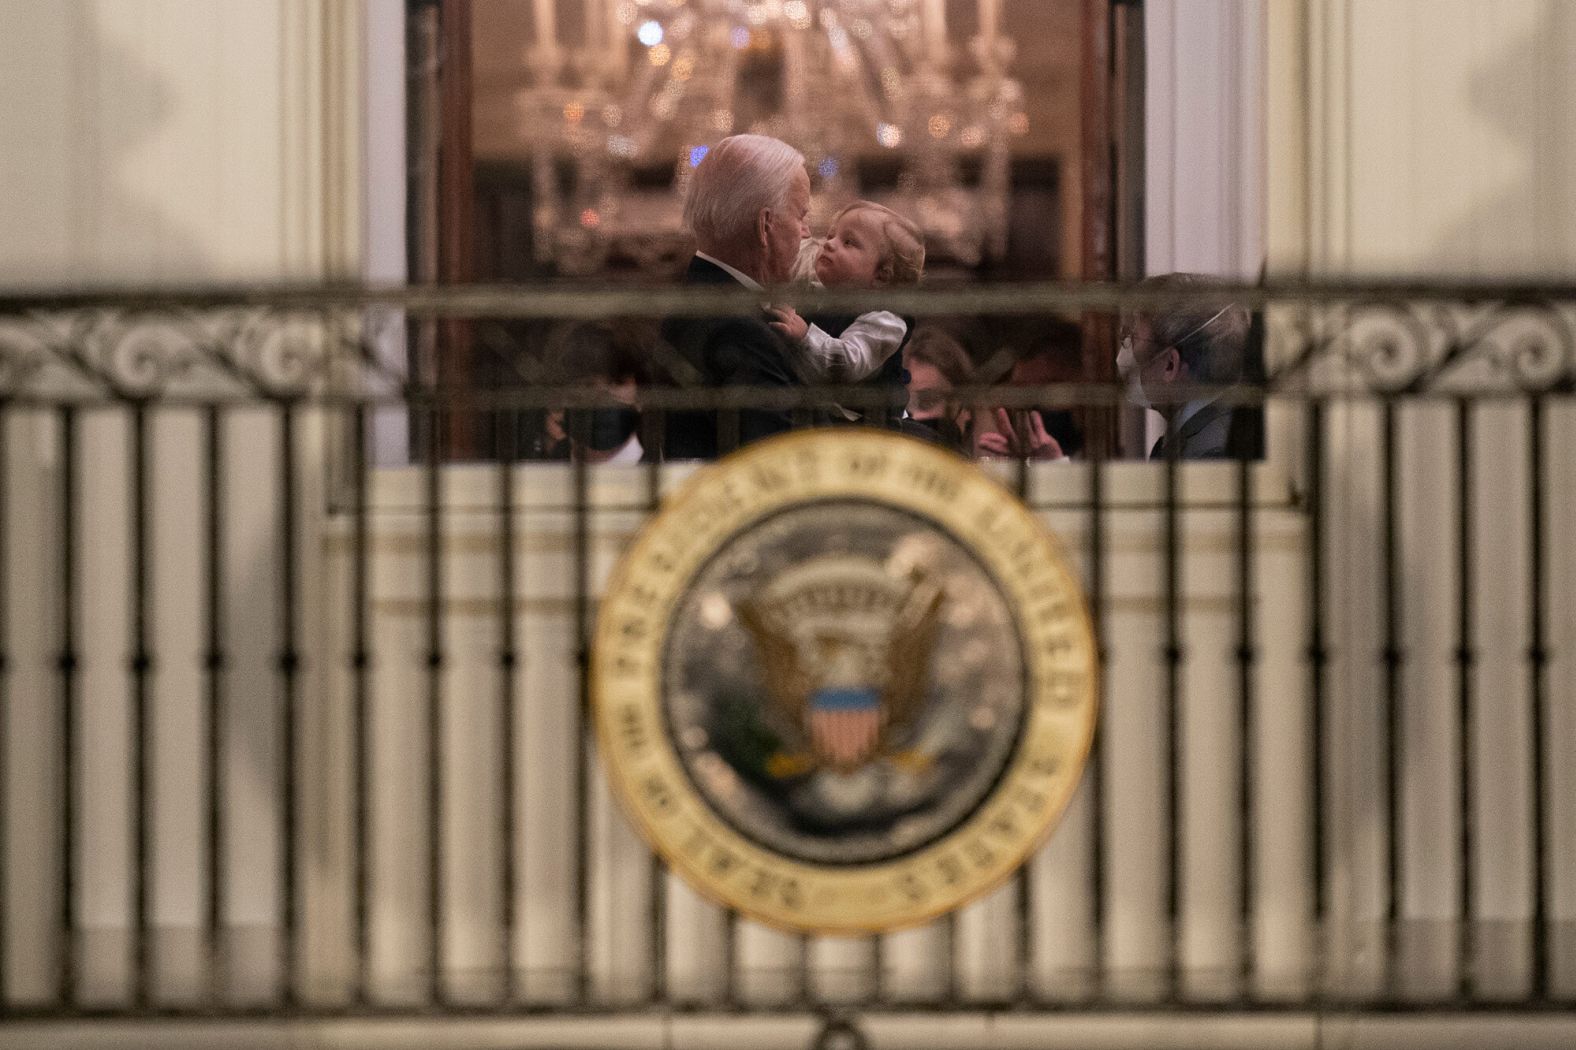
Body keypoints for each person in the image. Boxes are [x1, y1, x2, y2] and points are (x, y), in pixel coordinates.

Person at [660, 134, 811, 460]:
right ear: (766, 226)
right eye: (801, 215)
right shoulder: (738, 329)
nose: (806, 231)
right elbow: (784, 459)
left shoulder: (698, 301)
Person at [765, 201, 925, 423]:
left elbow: (846, 364)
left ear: (881, 276)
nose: (829, 244)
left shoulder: (885, 320)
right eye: (831, 236)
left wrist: (804, 336)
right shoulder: (818, 296)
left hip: (869, 427)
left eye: (848, 242)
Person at [1117, 273, 1251, 460]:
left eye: (1134, 336)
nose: (1126, 349)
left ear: (1170, 365)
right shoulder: (1203, 434)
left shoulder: (1209, 456)